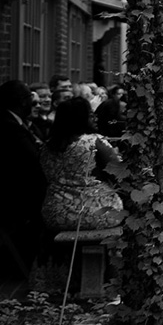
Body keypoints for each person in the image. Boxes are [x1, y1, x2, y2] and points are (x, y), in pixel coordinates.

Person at [0, 80, 49, 276]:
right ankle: (46, 266)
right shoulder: (7, 126)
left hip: (14, 191)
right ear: (22, 102)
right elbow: (33, 158)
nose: (33, 105)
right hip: (8, 199)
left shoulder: (13, 123)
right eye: (29, 100)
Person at [40, 97, 124, 231]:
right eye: (91, 115)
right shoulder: (94, 141)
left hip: (56, 213)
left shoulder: (46, 146)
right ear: (81, 119)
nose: (95, 119)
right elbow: (120, 172)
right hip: (96, 213)